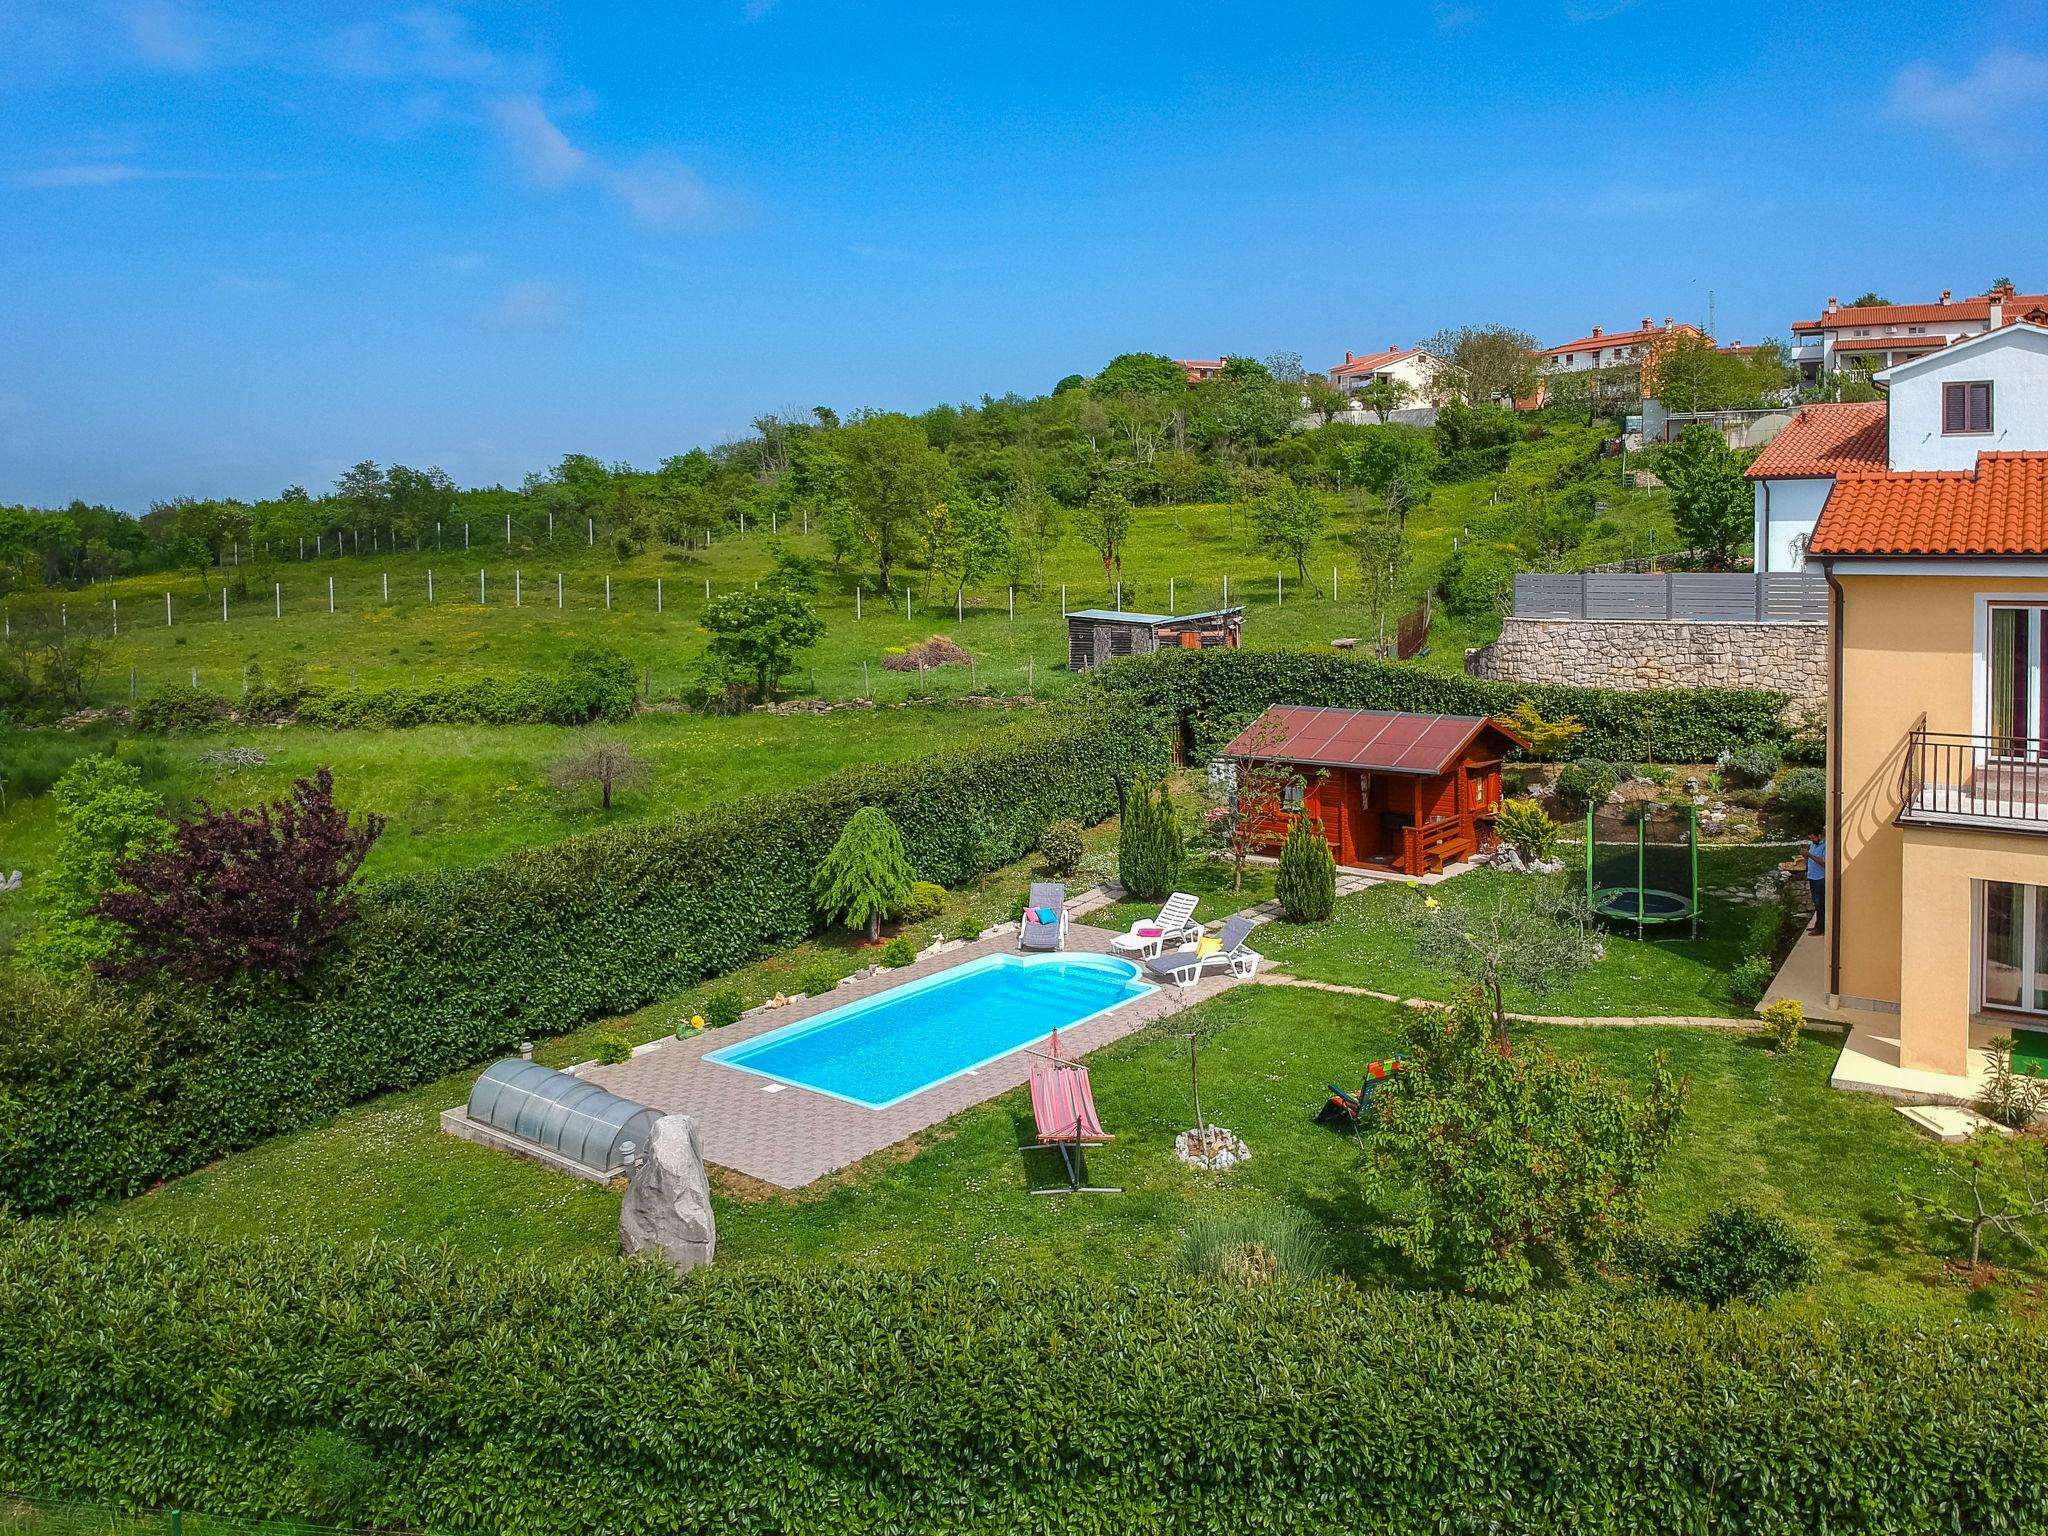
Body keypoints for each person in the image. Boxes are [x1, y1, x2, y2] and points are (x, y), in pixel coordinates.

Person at [1805, 830, 1827, 935]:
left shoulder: (1825, 846)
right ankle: (1817, 925)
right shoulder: (1813, 845)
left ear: (1819, 835)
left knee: (1820, 904)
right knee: (1816, 903)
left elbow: (1824, 863)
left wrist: (1809, 855)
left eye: (1813, 838)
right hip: (1812, 877)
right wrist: (1805, 855)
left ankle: (1821, 927)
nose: (1812, 840)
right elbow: (1810, 859)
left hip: (1820, 878)